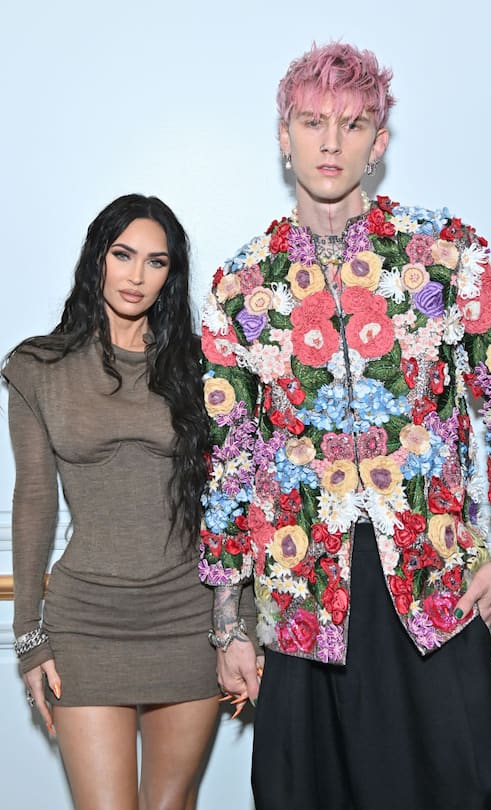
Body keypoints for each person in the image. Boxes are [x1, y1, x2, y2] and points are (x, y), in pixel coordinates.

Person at [199, 42, 491, 810]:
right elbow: (228, 458)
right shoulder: (241, 284)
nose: (330, 142)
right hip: (301, 599)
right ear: (282, 135)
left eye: (351, 125)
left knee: (464, 788)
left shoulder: (446, 254)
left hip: (434, 584)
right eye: (311, 121)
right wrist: (228, 624)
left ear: (378, 143)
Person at [3, 194, 220, 810]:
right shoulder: (37, 367)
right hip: (86, 621)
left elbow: (232, 499)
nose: (136, 275)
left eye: (156, 262)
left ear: (171, 274)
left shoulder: (203, 367)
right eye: (123, 255)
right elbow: (35, 499)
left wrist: (241, 626)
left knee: (169, 805)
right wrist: (28, 637)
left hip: (189, 618)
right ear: (97, 257)